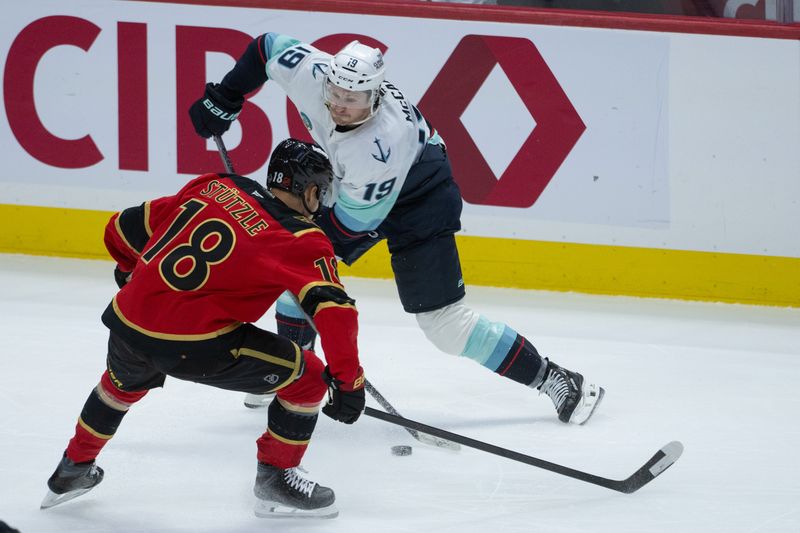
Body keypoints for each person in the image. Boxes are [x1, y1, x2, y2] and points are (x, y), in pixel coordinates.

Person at [189, 36, 603, 425]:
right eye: (335, 93)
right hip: (352, 185)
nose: (338, 105)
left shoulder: (382, 143)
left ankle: (554, 378)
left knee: (444, 325)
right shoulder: (317, 77)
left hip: (419, 199)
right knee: (295, 281)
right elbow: (267, 47)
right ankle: (293, 376)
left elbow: (355, 222)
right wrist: (227, 95)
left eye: (352, 99)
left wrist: (295, 249)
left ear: (375, 95)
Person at [41, 139, 366, 519]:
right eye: (320, 194)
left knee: (121, 383)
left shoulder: (218, 184)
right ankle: (275, 480)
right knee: (308, 378)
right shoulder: (301, 238)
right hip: (193, 346)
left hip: (127, 318)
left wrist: (131, 271)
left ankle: (71, 470)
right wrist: (348, 382)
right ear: (310, 190)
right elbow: (335, 312)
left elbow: (123, 227)